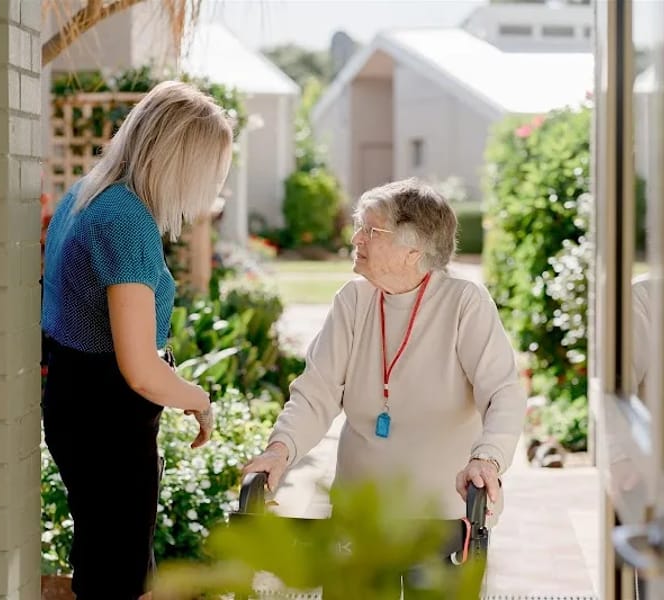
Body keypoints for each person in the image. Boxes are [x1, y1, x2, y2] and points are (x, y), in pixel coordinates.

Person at [243, 178, 526, 575]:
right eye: (360, 226)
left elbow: (503, 395)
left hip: (442, 520)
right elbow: (316, 392)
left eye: (371, 230)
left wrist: (487, 458)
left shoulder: (464, 303)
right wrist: (281, 449)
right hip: (359, 517)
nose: (356, 237)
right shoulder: (354, 300)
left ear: (414, 249)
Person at [41, 80, 233, 600]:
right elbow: (140, 370)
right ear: (181, 162)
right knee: (118, 578)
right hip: (107, 421)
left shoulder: (86, 196)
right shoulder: (124, 221)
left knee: (106, 566)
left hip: (78, 404)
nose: (211, 188)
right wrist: (200, 400)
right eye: (210, 172)